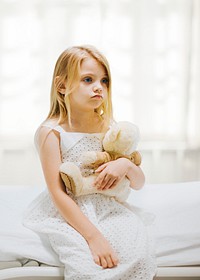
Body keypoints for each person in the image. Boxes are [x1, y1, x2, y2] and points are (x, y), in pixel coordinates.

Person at [23, 45, 156, 279]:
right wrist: (94, 237)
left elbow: (139, 182)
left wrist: (125, 166)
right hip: (68, 210)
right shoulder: (51, 132)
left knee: (136, 252)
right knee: (86, 264)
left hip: (108, 207)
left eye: (104, 81)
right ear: (62, 86)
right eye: (88, 79)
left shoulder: (110, 128)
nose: (99, 87)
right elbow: (57, 192)